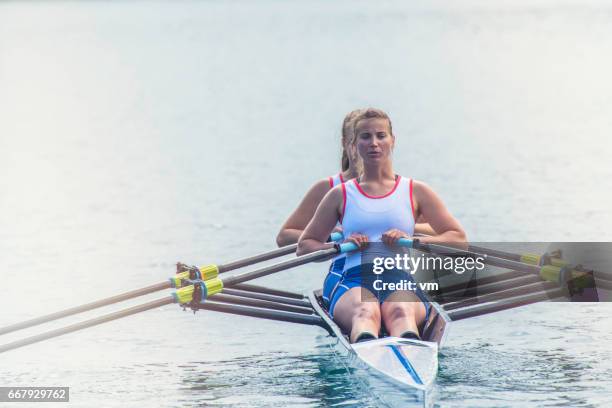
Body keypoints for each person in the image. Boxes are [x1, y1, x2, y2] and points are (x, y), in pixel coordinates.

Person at [297, 108, 466, 343]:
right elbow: (304, 246)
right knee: (365, 312)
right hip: (353, 279)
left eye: (381, 135)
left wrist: (413, 241)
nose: (374, 143)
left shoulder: (416, 190)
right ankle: (368, 348)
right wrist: (341, 245)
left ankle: (407, 356)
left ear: (392, 141)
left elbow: (458, 239)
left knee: (401, 311)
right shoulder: (339, 194)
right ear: (353, 145)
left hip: (401, 277)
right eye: (365, 137)